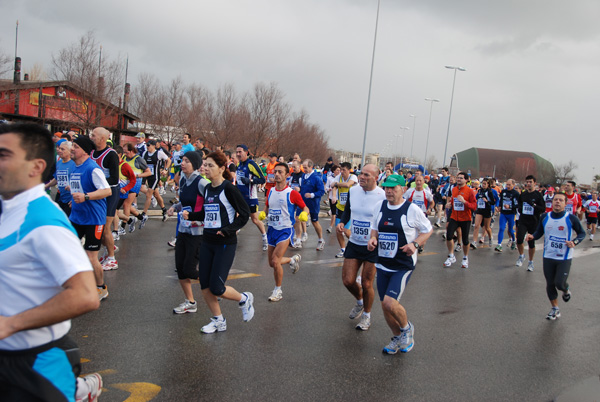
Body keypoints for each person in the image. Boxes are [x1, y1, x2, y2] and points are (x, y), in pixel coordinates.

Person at [0, 123, 102, 401]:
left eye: (4, 155)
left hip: (33, 364)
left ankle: (75, 389)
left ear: (35, 167)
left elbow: (85, 296)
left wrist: (10, 324)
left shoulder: (44, 222)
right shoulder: (6, 208)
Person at [183, 151, 253, 334]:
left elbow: (244, 214)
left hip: (225, 243)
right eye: (205, 165)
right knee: (204, 285)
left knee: (217, 287)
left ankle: (244, 298)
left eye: (210, 165)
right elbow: (208, 213)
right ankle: (218, 320)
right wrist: (191, 215)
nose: (205, 168)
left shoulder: (229, 188)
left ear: (222, 168)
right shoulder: (207, 189)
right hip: (207, 241)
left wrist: (228, 230)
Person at [367, 174, 433, 354]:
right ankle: (396, 337)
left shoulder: (412, 210)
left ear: (403, 189)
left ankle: (407, 328)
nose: (388, 191)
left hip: (402, 264)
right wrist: (373, 239)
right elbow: (375, 228)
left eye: (393, 188)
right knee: (385, 306)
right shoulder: (379, 206)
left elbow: (428, 229)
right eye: (387, 188)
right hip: (382, 263)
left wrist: (415, 244)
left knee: (390, 302)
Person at [338, 164, 386, 330]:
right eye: (361, 174)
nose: (362, 177)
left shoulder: (382, 195)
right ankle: (360, 301)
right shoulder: (353, 191)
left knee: (367, 283)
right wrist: (343, 222)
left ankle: (367, 315)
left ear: (376, 177)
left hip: (373, 245)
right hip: (355, 241)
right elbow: (348, 210)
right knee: (348, 280)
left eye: (366, 175)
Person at [526, 192, 586, 320]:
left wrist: (574, 242)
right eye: (555, 200)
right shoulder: (545, 217)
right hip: (548, 256)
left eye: (560, 200)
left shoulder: (570, 218)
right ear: (552, 202)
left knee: (559, 283)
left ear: (565, 203)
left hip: (564, 257)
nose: (557, 202)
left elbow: (581, 233)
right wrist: (532, 236)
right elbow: (539, 232)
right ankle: (555, 309)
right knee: (550, 283)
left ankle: (566, 290)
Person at [69, 135, 112, 300]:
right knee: (68, 250)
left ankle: (101, 288)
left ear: (85, 151)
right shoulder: (75, 167)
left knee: (91, 256)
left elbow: (107, 191)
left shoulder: (93, 169)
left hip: (94, 219)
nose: (72, 149)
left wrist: (86, 196)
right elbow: (79, 188)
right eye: (72, 146)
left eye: (76, 147)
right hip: (77, 217)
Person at [168, 152, 210, 314]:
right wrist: (175, 207)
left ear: (195, 164)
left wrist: (198, 220)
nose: (183, 163)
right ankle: (190, 302)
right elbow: (184, 202)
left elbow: (211, 204)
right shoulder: (184, 180)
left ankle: (212, 284)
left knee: (190, 270)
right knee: (180, 269)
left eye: (187, 161)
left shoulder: (201, 183)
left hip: (198, 232)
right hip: (183, 230)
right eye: (182, 160)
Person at [259, 162, 307, 302]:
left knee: (275, 261)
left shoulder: (292, 193)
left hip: (285, 230)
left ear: (287, 175)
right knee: (272, 263)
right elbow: (267, 207)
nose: (277, 174)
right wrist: (263, 214)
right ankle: (292, 259)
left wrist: (304, 214)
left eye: (280, 172)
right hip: (272, 229)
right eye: (276, 172)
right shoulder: (270, 191)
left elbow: (305, 208)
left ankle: (277, 290)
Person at [90, 127, 121, 271]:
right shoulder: (91, 152)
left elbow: (115, 178)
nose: (91, 137)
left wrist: (97, 183)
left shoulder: (111, 155)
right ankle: (110, 248)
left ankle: (112, 258)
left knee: (105, 228)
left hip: (111, 192)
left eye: (94, 135)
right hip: (98, 192)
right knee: (99, 228)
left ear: (103, 138)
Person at [235, 144, 268, 250]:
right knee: (236, 216)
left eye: (240, 152)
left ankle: (265, 238)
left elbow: (262, 179)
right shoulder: (239, 164)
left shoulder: (251, 164)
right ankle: (232, 238)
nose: (238, 154)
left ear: (246, 152)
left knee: (254, 219)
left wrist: (250, 181)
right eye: (237, 152)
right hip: (240, 196)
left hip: (250, 197)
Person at [444, 172, 477, 268]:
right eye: (458, 178)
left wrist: (464, 202)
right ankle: (451, 255)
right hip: (454, 217)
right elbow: (453, 201)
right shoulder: (454, 189)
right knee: (449, 236)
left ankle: (465, 258)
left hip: (465, 218)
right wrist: (449, 204)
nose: (459, 179)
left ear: (466, 180)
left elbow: (474, 206)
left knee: (465, 240)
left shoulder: (470, 191)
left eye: (461, 178)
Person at [515, 175, 546, 271]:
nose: (528, 184)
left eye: (530, 182)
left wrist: (533, 205)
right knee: (519, 239)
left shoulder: (538, 195)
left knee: (531, 243)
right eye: (527, 182)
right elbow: (519, 204)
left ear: (535, 183)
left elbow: (542, 209)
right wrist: (520, 209)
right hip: (523, 220)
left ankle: (530, 262)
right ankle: (521, 255)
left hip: (534, 221)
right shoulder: (523, 194)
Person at [140, 139, 171, 222]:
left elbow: (169, 160)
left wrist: (165, 169)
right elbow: (142, 164)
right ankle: (164, 210)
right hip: (147, 175)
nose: (147, 147)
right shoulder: (145, 153)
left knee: (148, 194)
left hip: (155, 177)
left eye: (149, 145)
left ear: (154, 146)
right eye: (147, 145)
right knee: (156, 194)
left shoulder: (159, 153)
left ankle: (144, 214)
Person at [332, 162, 358, 257]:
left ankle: (356, 246)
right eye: (341, 169)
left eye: (344, 170)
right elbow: (333, 187)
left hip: (351, 208)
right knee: (338, 229)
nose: (342, 172)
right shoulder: (338, 177)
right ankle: (343, 249)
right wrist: (334, 196)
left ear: (349, 170)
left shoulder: (353, 177)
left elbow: (347, 185)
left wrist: (337, 184)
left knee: (346, 231)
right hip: (340, 206)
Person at [45, 139, 76, 216]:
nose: (59, 150)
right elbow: (56, 178)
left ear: (69, 151)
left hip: (71, 199)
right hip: (61, 197)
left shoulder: (74, 164)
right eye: (59, 148)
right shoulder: (59, 162)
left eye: (62, 149)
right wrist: (46, 186)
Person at [300, 159, 326, 250]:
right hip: (303, 203)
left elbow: (322, 191)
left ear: (311, 167)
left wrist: (311, 195)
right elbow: (302, 188)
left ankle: (320, 239)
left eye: (306, 168)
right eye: (303, 167)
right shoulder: (303, 176)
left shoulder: (316, 178)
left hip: (313, 204)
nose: (304, 169)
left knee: (315, 222)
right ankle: (300, 237)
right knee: (299, 218)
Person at [471, 178, 497, 248]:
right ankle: (474, 242)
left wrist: (487, 201)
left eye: (485, 184)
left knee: (487, 227)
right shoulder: (479, 191)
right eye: (482, 183)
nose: (483, 185)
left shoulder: (490, 192)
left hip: (487, 210)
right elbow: (475, 198)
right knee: (476, 226)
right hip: (479, 210)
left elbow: (493, 202)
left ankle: (490, 237)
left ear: (488, 185)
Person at [495, 179, 519, 252]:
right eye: (507, 185)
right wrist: (499, 207)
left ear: (513, 185)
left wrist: (510, 207)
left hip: (511, 214)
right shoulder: (504, 192)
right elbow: (501, 200)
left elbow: (518, 205)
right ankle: (499, 245)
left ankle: (514, 241)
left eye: (509, 185)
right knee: (501, 228)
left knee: (510, 230)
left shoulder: (516, 193)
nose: (507, 186)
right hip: (503, 213)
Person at [325, 165, 340, 233]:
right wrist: (329, 189)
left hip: (339, 198)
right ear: (334, 171)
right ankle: (330, 227)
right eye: (337, 170)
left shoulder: (341, 178)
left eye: (339, 170)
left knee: (340, 213)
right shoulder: (330, 178)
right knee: (333, 213)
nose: (339, 171)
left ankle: (339, 227)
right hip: (332, 197)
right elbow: (326, 187)